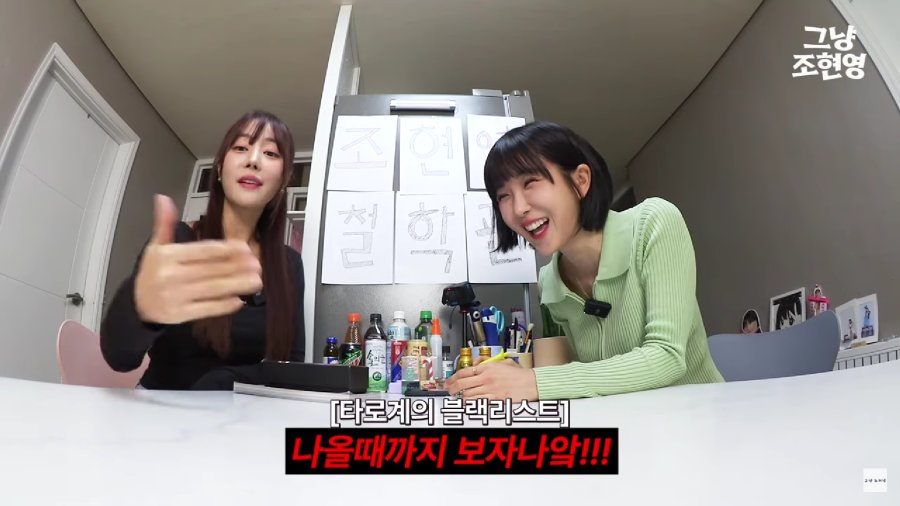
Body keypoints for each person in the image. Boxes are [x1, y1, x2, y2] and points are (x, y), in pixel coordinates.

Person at [446, 121, 723, 401]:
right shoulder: (550, 281)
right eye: (503, 196)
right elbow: (590, 375)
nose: (519, 208)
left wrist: (533, 382)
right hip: (629, 422)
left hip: (704, 415)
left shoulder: (654, 223)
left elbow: (667, 357)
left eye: (530, 183)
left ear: (580, 180)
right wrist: (510, 376)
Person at [100, 110, 305, 390]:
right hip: (161, 406)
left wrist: (227, 380)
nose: (253, 160)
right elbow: (120, 358)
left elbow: (291, 362)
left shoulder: (289, 264)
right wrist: (140, 308)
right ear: (219, 169)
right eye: (241, 148)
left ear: (283, 181)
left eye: (270, 153)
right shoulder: (178, 240)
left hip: (244, 412)